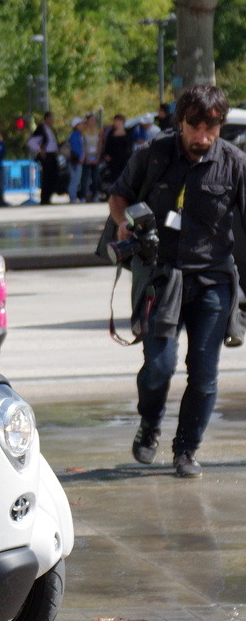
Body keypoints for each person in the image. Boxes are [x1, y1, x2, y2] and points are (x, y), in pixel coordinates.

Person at [110, 83, 246, 478]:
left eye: (212, 127)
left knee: (204, 371)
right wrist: (123, 223)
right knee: (159, 367)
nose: (203, 137)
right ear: (181, 121)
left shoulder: (235, 163)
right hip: (162, 276)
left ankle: (186, 449)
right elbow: (119, 195)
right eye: (195, 126)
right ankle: (149, 424)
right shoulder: (152, 154)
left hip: (213, 280)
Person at [29, 111, 62, 204]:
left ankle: (49, 197)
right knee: (47, 177)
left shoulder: (52, 129)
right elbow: (31, 142)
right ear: (46, 119)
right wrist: (39, 150)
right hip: (46, 155)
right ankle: (44, 198)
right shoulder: (41, 129)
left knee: (54, 176)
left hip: (53, 154)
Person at [102, 113, 134, 192]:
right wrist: (106, 154)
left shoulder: (128, 131)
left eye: (117, 121)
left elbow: (130, 145)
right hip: (114, 158)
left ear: (122, 121)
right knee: (114, 175)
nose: (115, 122)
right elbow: (108, 144)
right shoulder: (111, 132)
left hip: (125, 157)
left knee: (124, 175)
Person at [79, 114, 101, 200]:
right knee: (85, 177)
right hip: (86, 156)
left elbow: (100, 144)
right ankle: (84, 195)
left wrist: (98, 157)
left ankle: (95, 195)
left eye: (94, 120)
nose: (92, 122)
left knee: (95, 177)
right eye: (90, 120)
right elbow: (83, 145)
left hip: (95, 156)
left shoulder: (99, 131)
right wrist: (86, 157)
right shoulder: (83, 132)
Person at [66, 117, 85, 202]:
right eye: (81, 124)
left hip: (76, 160)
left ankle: (74, 196)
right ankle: (73, 197)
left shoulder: (78, 135)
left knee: (76, 178)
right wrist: (80, 156)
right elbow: (76, 147)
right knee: (75, 178)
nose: (83, 126)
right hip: (75, 161)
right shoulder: (75, 135)